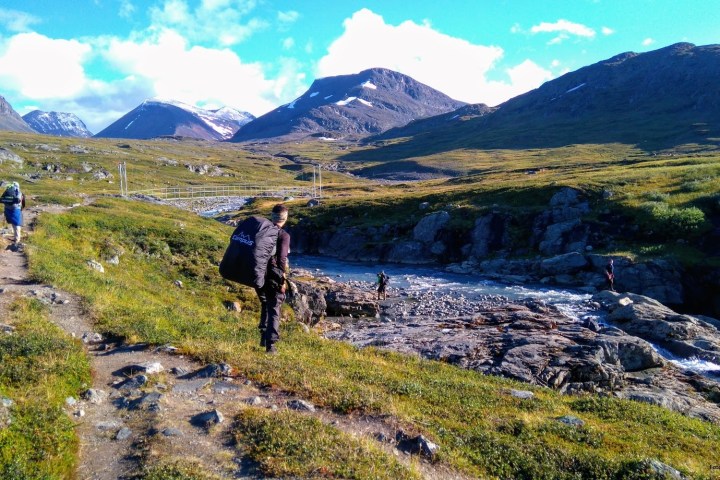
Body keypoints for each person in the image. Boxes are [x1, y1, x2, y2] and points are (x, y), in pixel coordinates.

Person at [257, 204, 290, 354]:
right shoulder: (283, 235)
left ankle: (263, 337)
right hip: (272, 274)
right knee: (275, 307)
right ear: (285, 218)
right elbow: (282, 258)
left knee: (265, 302)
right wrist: (282, 279)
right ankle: (271, 346)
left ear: (272, 216)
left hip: (257, 273)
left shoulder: (262, 230)